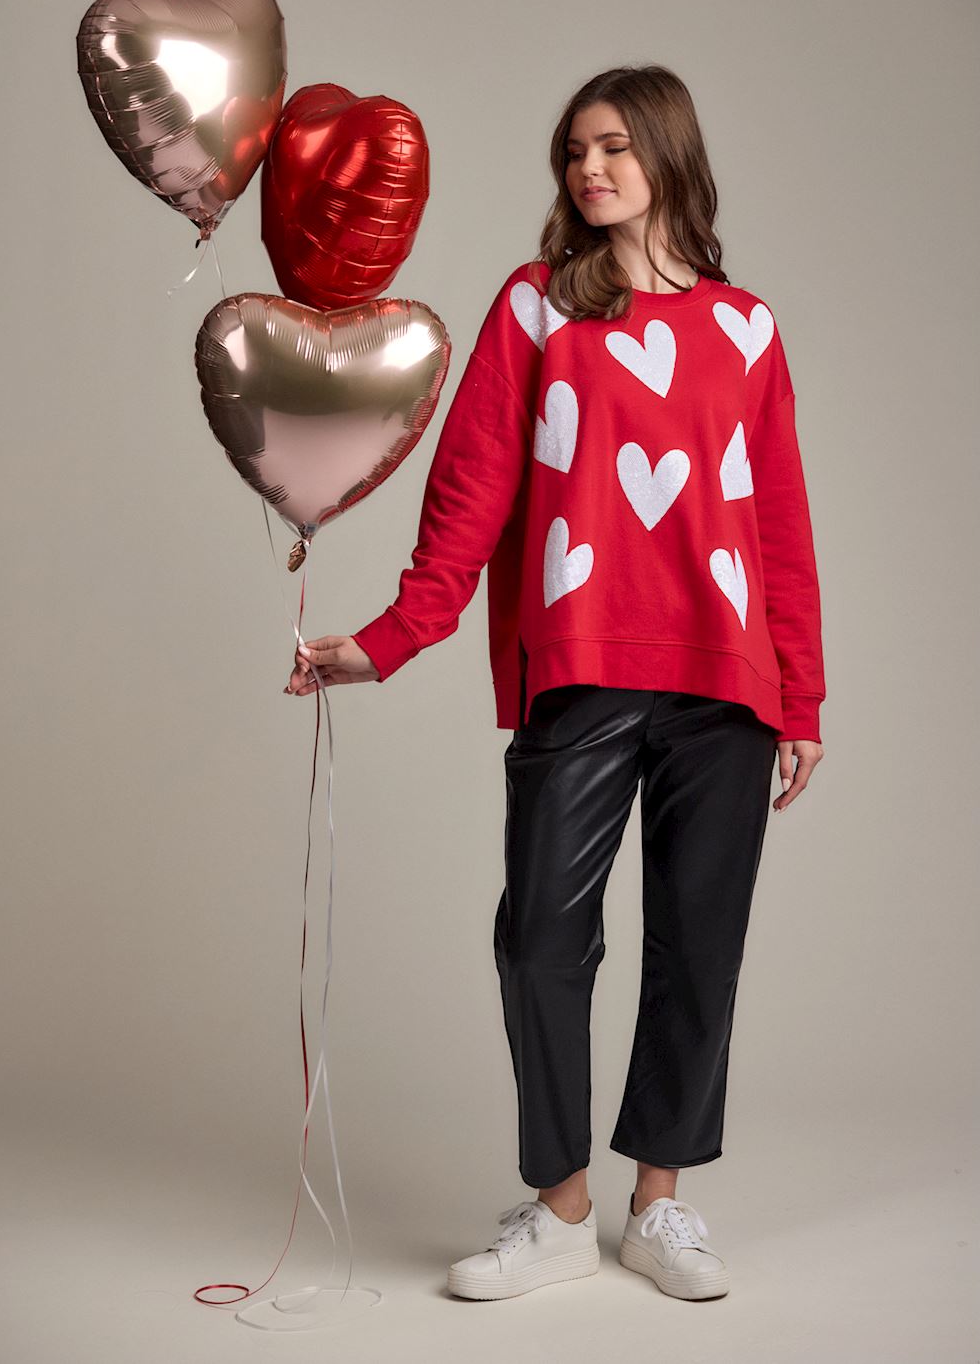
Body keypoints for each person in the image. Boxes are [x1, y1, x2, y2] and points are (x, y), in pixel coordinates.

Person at [285, 64, 826, 1302]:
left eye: (614, 146)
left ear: (668, 157)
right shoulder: (535, 308)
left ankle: (659, 1205)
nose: (589, 168)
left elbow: (778, 523)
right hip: (578, 664)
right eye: (575, 150)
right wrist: (392, 636)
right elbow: (471, 488)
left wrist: (800, 695)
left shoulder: (745, 327)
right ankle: (561, 1210)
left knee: (698, 948)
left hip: (726, 684)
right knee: (539, 940)